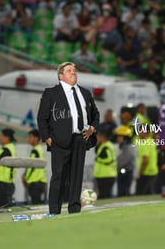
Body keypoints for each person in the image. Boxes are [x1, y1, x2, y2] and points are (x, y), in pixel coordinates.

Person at [37, 62, 100, 214]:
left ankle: (74, 209)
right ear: (61, 75)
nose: (73, 72)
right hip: (59, 140)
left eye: (74, 70)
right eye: (69, 70)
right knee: (58, 176)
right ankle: (54, 210)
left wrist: (92, 128)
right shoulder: (51, 93)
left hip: (81, 139)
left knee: (76, 177)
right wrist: (47, 137)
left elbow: (95, 114)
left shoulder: (85, 93)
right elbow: (42, 118)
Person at [23, 129, 47, 205]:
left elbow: (31, 166)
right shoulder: (39, 149)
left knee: (36, 204)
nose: (28, 139)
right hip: (40, 182)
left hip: (35, 182)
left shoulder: (35, 151)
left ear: (36, 138)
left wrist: (25, 177)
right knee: (38, 204)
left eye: (30, 137)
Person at [93, 127, 117, 199]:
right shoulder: (105, 145)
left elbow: (109, 159)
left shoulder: (106, 146)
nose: (97, 138)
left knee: (104, 196)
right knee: (104, 195)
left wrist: (98, 159)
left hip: (105, 175)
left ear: (102, 137)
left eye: (98, 136)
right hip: (105, 175)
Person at [135, 125, 158, 195]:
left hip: (146, 173)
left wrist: (139, 173)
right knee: (148, 194)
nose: (138, 132)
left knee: (141, 195)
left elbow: (145, 160)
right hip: (150, 172)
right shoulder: (149, 141)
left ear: (146, 132)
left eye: (140, 130)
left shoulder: (146, 142)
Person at [115, 125, 136, 197]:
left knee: (124, 192)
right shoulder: (123, 147)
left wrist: (114, 165)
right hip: (123, 171)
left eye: (120, 136)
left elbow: (122, 161)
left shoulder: (129, 148)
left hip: (126, 172)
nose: (118, 138)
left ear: (125, 138)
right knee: (121, 192)